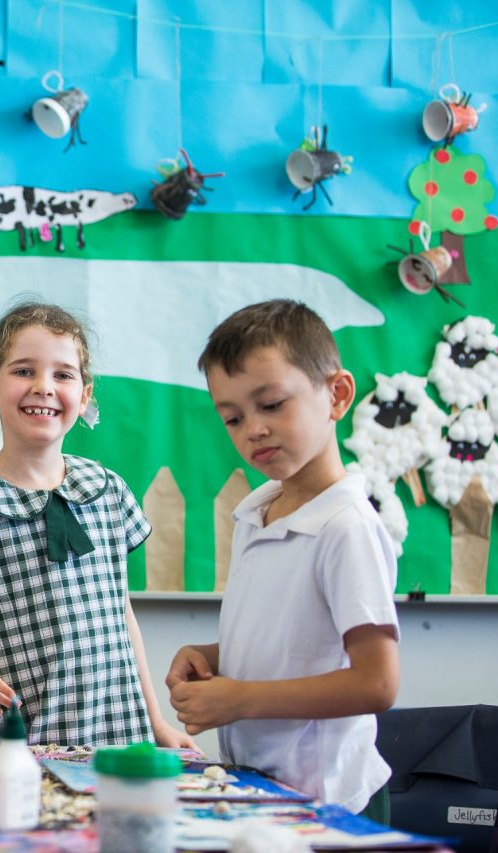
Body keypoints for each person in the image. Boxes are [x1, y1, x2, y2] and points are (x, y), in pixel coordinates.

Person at [0, 302, 195, 748]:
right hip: (17, 741)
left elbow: (121, 617)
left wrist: (157, 724)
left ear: (84, 395)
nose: (44, 387)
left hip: (117, 736)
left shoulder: (107, 489)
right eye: (24, 371)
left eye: (63, 375)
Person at [166, 299, 399, 820]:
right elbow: (295, 639)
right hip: (261, 788)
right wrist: (214, 655)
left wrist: (240, 699)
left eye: (271, 404)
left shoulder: (346, 527)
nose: (253, 429)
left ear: (336, 395)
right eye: (233, 417)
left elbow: (377, 683)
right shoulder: (258, 512)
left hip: (331, 803)